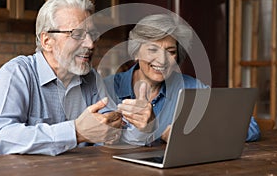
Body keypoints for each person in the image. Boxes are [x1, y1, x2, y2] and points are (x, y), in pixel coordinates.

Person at [0, 0, 122, 156]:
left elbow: (111, 130)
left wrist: (134, 125)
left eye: (92, 34)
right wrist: (75, 132)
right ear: (47, 41)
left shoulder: (91, 77)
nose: (90, 44)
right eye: (77, 34)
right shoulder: (16, 73)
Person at [104, 13, 260, 146]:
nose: (162, 60)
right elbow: (97, 142)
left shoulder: (190, 87)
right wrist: (158, 131)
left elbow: (250, 127)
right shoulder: (108, 88)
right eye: (152, 50)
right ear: (136, 53)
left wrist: (189, 134)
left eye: (170, 51)